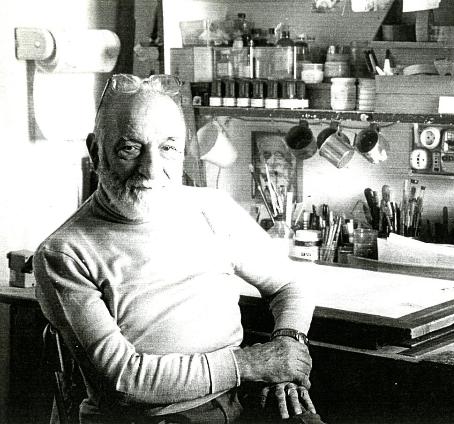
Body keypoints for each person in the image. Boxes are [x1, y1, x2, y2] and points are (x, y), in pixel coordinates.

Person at [33, 74, 323, 424]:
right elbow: (125, 379)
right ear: (95, 151)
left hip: (239, 402)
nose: (150, 169)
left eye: (167, 148)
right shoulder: (63, 253)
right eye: (130, 148)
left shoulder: (210, 208)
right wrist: (254, 364)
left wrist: (288, 345)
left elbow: (291, 284)